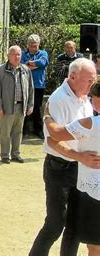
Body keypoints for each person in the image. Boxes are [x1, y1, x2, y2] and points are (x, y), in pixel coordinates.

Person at [29, 58, 96, 256]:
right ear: (73, 76)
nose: (91, 85)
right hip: (59, 168)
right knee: (55, 223)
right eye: (89, 81)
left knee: (75, 225)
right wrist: (78, 155)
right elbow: (53, 141)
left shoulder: (84, 97)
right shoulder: (58, 99)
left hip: (79, 167)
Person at [43, 80, 100, 256]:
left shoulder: (92, 123)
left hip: (93, 192)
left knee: (95, 246)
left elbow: (55, 134)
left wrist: (47, 116)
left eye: (93, 97)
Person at [0, 45, 34, 164]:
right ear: (8, 56)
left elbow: (31, 88)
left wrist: (30, 105)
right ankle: (5, 155)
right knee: (5, 133)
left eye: (18, 54)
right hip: (6, 107)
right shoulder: (0, 70)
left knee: (18, 131)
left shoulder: (25, 70)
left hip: (21, 106)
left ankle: (16, 154)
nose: (16, 57)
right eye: (14, 54)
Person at [21, 34, 49, 139]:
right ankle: (22, 130)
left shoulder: (43, 53)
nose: (34, 47)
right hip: (25, 84)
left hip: (38, 85)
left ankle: (38, 130)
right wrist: (34, 66)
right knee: (23, 107)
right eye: (31, 45)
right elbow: (21, 65)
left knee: (36, 108)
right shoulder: (23, 54)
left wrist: (30, 63)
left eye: (35, 45)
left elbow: (43, 62)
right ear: (28, 45)